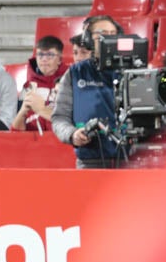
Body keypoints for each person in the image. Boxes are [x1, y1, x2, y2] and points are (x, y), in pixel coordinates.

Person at [51, 15, 129, 167]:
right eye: (102, 33)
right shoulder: (75, 73)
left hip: (132, 162)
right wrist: (72, 134)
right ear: (88, 39)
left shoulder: (132, 71)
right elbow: (60, 117)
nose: (109, 38)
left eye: (113, 34)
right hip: (90, 162)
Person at [11, 35, 66, 134]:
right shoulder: (28, 86)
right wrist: (22, 113)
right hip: (31, 143)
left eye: (50, 55)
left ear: (60, 59)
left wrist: (42, 110)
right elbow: (16, 131)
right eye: (40, 55)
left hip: (61, 141)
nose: (44, 59)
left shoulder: (69, 83)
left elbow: (73, 124)